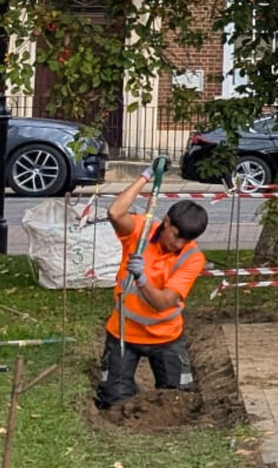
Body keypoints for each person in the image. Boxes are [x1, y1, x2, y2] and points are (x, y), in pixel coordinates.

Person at [96, 157, 208, 409]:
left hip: (166, 338)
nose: (179, 245)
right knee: (114, 401)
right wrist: (147, 175)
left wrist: (142, 279)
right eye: (177, 236)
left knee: (178, 402)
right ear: (167, 222)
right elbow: (115, 212)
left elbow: (164, 303)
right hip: (124, 334)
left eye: (187, 240)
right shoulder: (139, 232)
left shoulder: (192, 257)